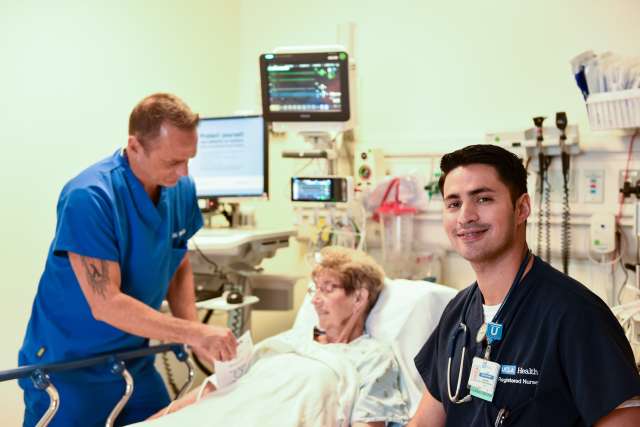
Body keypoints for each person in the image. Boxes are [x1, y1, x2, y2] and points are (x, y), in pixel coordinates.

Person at [18, 93, 238, 426]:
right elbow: (106, 303)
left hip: (131, 361)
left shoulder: (179, 188)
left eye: (189, 159)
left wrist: (195, 338)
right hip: (69, 369)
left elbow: (177, 266)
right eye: (172, 162)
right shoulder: (89, 198)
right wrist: (194, 332)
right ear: (134, 147)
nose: (183, 172)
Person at [409, 144, 640, 426]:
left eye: (483, 199)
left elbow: (627, 421)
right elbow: (424, 421)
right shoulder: (457, 315)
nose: (465, 216)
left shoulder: (574, 314)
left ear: (522, 208)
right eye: (453, 203)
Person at [136, 246, 409, 427]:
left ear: (359, 297)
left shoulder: (372, 358)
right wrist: (157, 420)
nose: (315, 301)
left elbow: (369, 421)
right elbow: (217, 386)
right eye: (314, 290)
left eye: (328, 289)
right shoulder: (290, 340)